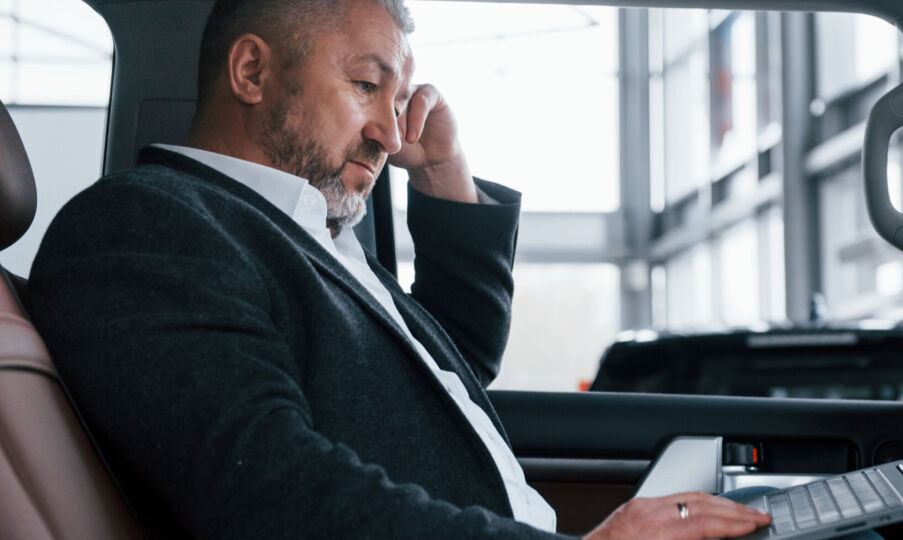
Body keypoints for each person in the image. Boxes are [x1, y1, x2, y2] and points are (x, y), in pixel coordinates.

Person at [27, 0, 772, 538]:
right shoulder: (145, 227)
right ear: (252, 71)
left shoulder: (307, 227)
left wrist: (445, 171)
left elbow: (451, 369)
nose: (391, 130)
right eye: (364, 85)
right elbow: (271, 493)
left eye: (399, 94)